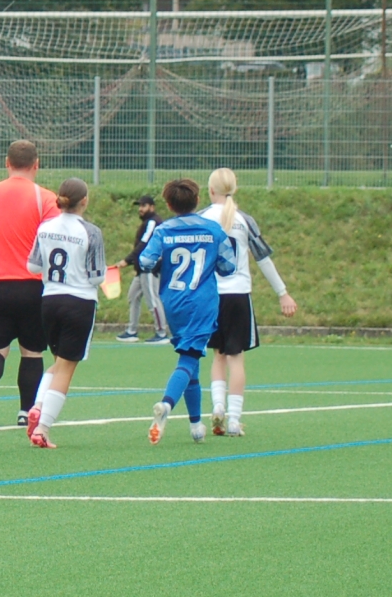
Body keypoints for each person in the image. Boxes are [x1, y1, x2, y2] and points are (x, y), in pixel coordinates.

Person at [137, 178, 236, 446]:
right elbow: (229, 266)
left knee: (191, 356)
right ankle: (167, 404)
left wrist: (164, 260)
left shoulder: (164, 230)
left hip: (173, 302)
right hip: (202, 302)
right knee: (189, 358)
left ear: (169, 205)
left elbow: (145, 261)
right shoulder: (213, 229)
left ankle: (195, 425)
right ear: (197, 200)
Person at [202, 168, 297, 437]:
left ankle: (217, 406)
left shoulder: (201, 219)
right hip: (239, 295)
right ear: (234, 189)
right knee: (236, 358)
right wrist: (283, 292)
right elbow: (263, 259)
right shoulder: (244, 220)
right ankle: (234, 420)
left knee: (218, 355)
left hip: (212, 295)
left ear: (211, 190)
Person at [0, 140, 59, 429]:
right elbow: (54, 240)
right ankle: (25, 411)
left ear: (7, 163)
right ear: (36, 164)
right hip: (31, 287)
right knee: (32, 351)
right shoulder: (44, 198)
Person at [23, 178, 107, 449]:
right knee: (67, 368)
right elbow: (96, 277)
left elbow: (33, 266)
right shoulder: (91, 232)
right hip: (79, 302)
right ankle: (43, 428)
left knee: (58, 362)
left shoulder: (45, 227)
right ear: (85, 201)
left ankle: (38, 405)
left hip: (50, 301)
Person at [115, 195, 171, 343]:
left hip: (150, 268)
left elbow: (144, 244)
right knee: (133, 296)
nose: (140, 209)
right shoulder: (148, 222)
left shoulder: (153, 222)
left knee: (153, 300)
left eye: (144, 206)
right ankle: (132, 331)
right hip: (142, 269)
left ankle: (161, 333)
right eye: (139, 206)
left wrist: (128, 260)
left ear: (152, 207)